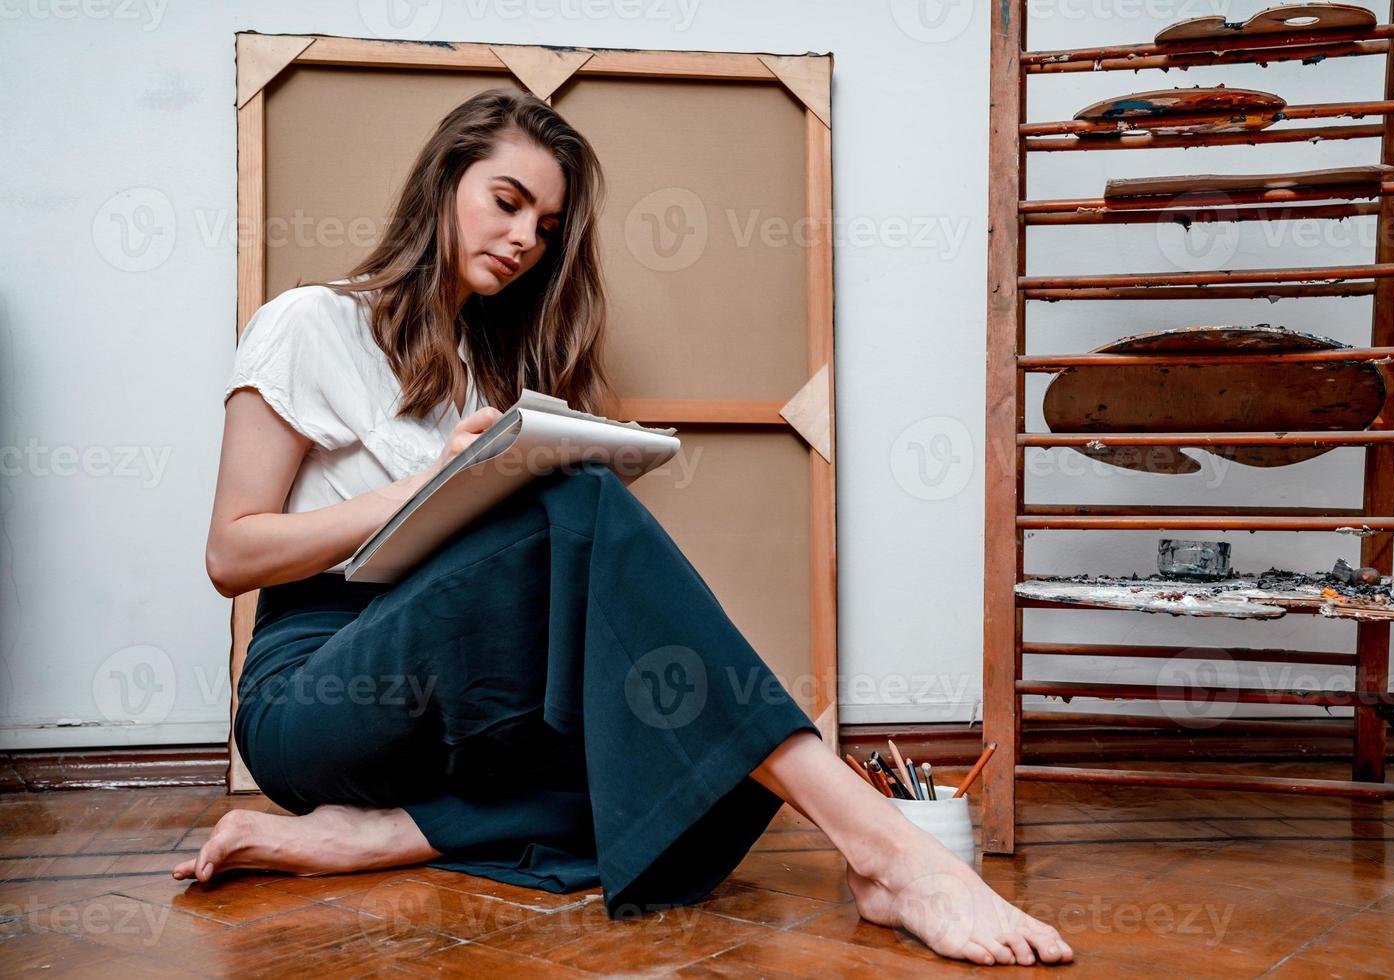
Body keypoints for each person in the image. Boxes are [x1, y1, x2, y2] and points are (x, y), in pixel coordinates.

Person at [182, 88, 1072, 967]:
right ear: (443, 182)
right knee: (575, 502)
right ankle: (882, 847)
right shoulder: (312, 322)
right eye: (507, 202)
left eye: (548, 223)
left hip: (435, 701)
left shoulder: (477, 371)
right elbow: (232, 553)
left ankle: (382, 836)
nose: (527, 238)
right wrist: (428, 486)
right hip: (313, 696)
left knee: (683, 773)